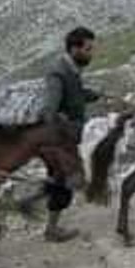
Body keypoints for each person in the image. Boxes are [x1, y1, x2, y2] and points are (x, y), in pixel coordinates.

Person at [39, 27, 101, 242]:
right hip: (59, 139)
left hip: (66, 136)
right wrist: (63, 135)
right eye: (88, 49)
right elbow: (50, 110)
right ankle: (51, 229)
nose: (91, 53)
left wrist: (90, 95)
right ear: (74, 48)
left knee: (60, 180)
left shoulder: (71, 68)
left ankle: (43, 213)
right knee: (63, 182)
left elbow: (72, 95)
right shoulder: (58, 71)